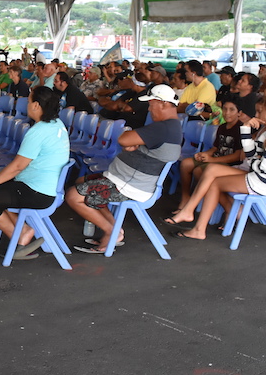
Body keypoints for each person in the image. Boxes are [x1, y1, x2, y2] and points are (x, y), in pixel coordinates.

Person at [66, 84, 182, 253]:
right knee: (81, 181)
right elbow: (130, 141)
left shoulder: (163, 128)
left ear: (162, 103)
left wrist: (131, 143)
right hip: (125, 180)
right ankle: (115, 230)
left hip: (129, 185)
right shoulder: (170, 126)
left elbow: (124, 139)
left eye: (151, 105)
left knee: (73, 196)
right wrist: (133, 143)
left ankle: (111, 231)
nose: (149, 109)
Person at [165, 95, 266, 240]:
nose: (257, 116)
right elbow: (251, 154)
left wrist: (254, 160)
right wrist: (246, 130)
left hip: (262, 183)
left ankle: (194, 220)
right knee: (212, 172)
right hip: (256, 175)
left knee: (213, 176)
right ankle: (194, 221)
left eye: (261, 111)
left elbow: (265, 168)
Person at [0, 86, 70, 261]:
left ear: (36, 106)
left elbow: (18, 166)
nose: (26, 104)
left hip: (36, 192)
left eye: (29, 100)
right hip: (43, 188)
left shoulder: (38, 131)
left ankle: (20, 235)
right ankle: (23, 230)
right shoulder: (57, 125)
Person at [176, 100, 244, 213]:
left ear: (239, 113)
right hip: (216, 159)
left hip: (228, 164)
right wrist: (204, 154)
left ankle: (210, 200)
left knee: (198, 171)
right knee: (186, 164)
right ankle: (186, 198)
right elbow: (215, 148)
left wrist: (213, 159)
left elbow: (237, 156)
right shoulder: (222, 127)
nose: (227, 113)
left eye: (232, 110)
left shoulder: (240, 129)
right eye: (225, 109)